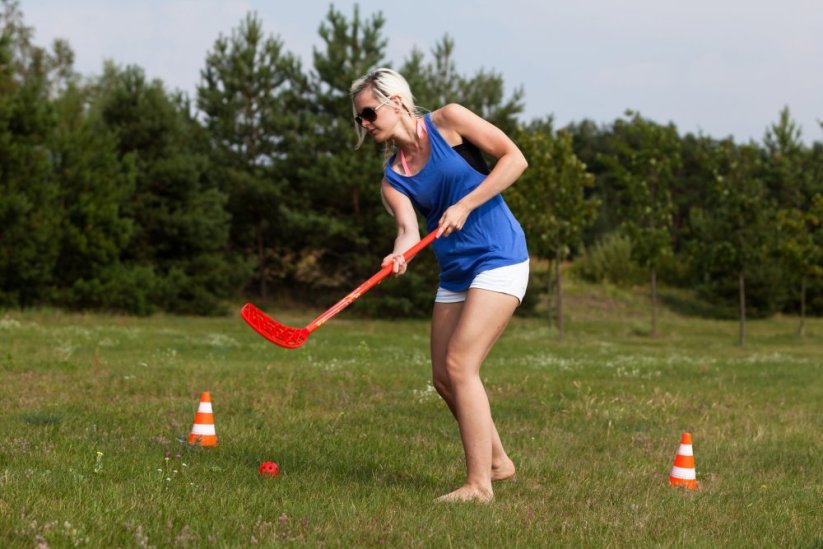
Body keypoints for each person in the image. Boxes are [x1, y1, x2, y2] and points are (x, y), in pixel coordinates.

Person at [350, 68, 529, 503]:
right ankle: (499, 462)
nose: (365, 123)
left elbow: (515, 159)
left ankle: (478, 486)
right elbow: (408, 231)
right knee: (442, 378)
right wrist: (400, 254)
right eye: (359, 119)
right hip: (455, 273)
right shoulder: (393, 178)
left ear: (395, 101)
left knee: (459, 365)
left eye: (369, 113)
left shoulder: (449, 121)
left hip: (499, 256)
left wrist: (465, 205)